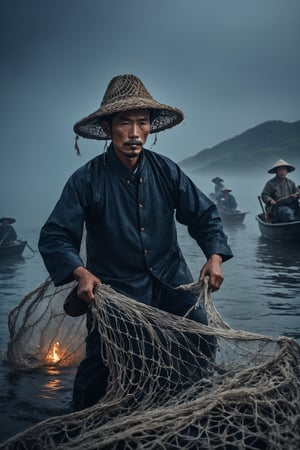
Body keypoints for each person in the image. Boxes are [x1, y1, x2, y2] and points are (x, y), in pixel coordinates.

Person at [38, 74, 233, 410]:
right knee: (102, 361)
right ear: (106, 126)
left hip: (170, 280)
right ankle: (81, 421)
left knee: (199, 333)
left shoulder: (167, 171)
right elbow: (55, 237)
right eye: (124, 123)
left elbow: (205, 216)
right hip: (116, 289)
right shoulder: (86, 180)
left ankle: (186, 407)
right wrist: (80, 273)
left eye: (142, 123)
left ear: (150, 128)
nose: (133, 133)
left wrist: (214, 255)